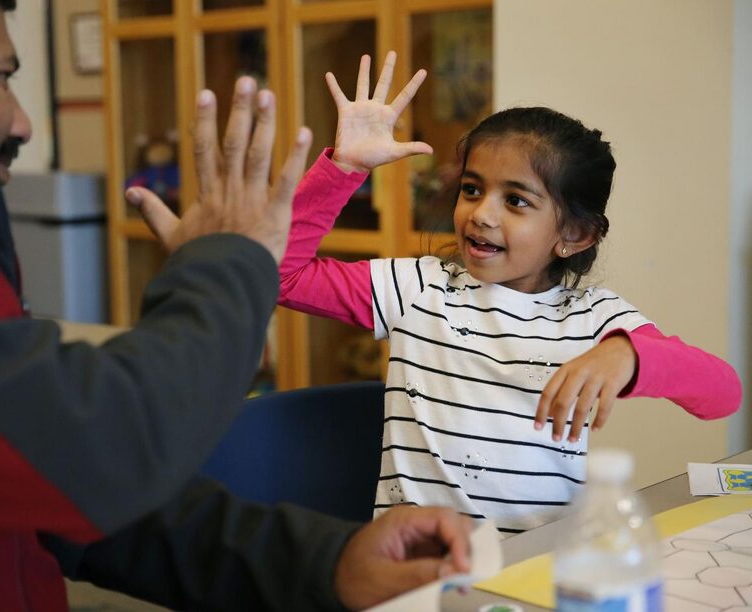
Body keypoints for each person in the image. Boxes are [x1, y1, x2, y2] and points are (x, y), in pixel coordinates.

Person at [0, 2, 476, 610]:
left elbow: (59, 488)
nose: (23, 122)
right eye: (3, 75)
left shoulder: (594, 315)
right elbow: (107, 447)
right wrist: (228, 257)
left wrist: (328, 562)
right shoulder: (424, 285)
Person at [278, 51, 742, 537]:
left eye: (516, 200)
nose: (482, 214)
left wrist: (627, 356)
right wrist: (344, 169)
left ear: (577, 235)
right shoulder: (415, 288)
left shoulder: (596, 321)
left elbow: (723, 394)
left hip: (535, 570)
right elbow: (279, 276)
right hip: (413, 571)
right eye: (473, 189)